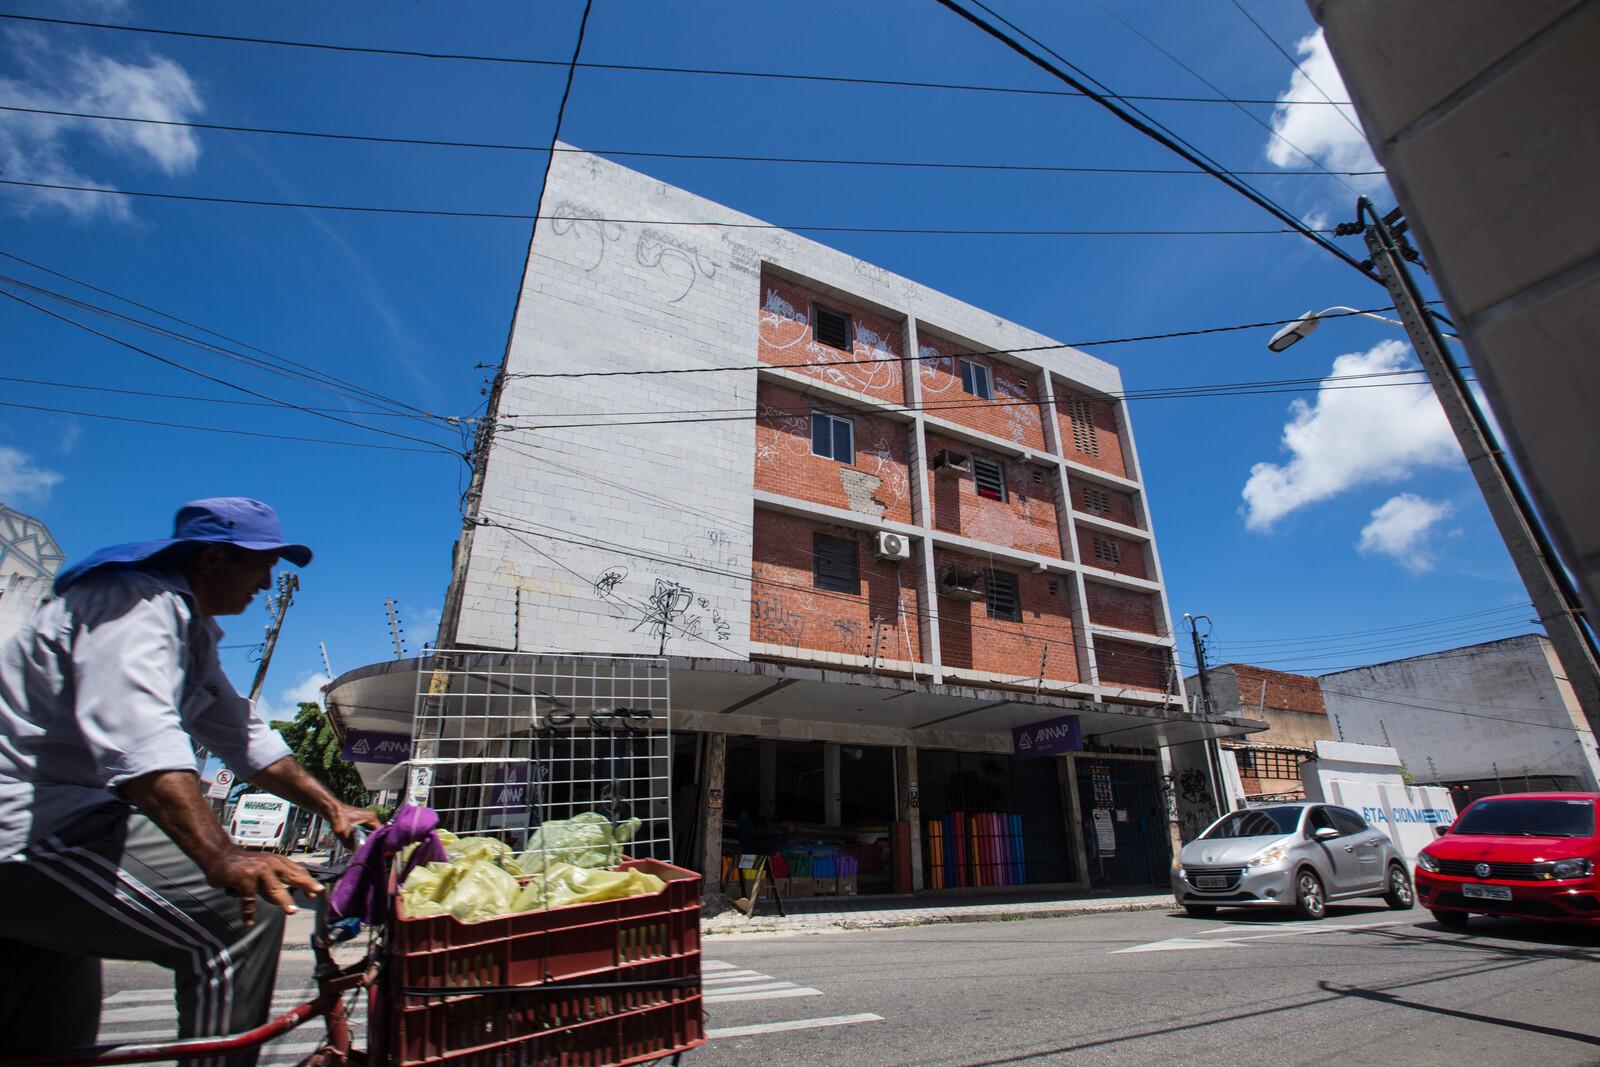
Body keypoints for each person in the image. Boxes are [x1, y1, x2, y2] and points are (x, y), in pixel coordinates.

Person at [0, 498, 379, 1064]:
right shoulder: (135, 604)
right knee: (243, 917)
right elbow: (139, 738)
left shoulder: (187, 627)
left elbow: (241, 734)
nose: (266, 581)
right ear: (211, 559)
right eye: (259, 563)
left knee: (52, 1032)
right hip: (34, 828)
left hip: (65, 822)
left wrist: (334, 809)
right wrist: (222, 855)